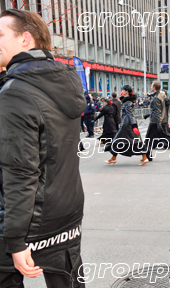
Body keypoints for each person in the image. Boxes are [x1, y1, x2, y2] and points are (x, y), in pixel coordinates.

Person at [0, 9, 86, 287]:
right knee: (69, 281)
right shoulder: (66, 80)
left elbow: (20, 172)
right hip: (67, 208)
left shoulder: (15, 91)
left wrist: (14, 240)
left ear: (25, 39)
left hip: (25, 218)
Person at [104, 85, 149, 166]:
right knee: (127, 141)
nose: (122, 91)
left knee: (123, 141)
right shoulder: (127, 101)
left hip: (127, 125)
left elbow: (130, 114)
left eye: (123, 90)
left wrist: (133, 125)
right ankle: (114, 158)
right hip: (127, 124)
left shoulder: (128, 102)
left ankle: (144, 157)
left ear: (126, 91)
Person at [145, 81, 170, 161]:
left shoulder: (157, 98)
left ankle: (147, 156)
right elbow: (157, 110)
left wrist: (158, 124)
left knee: (148, 140)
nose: (150, 87)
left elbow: (158, 111)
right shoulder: (158, 96)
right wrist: (149, 115)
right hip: (158, 121)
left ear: (154, 87)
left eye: (151, 86)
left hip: (155, 122)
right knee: (165, 138)